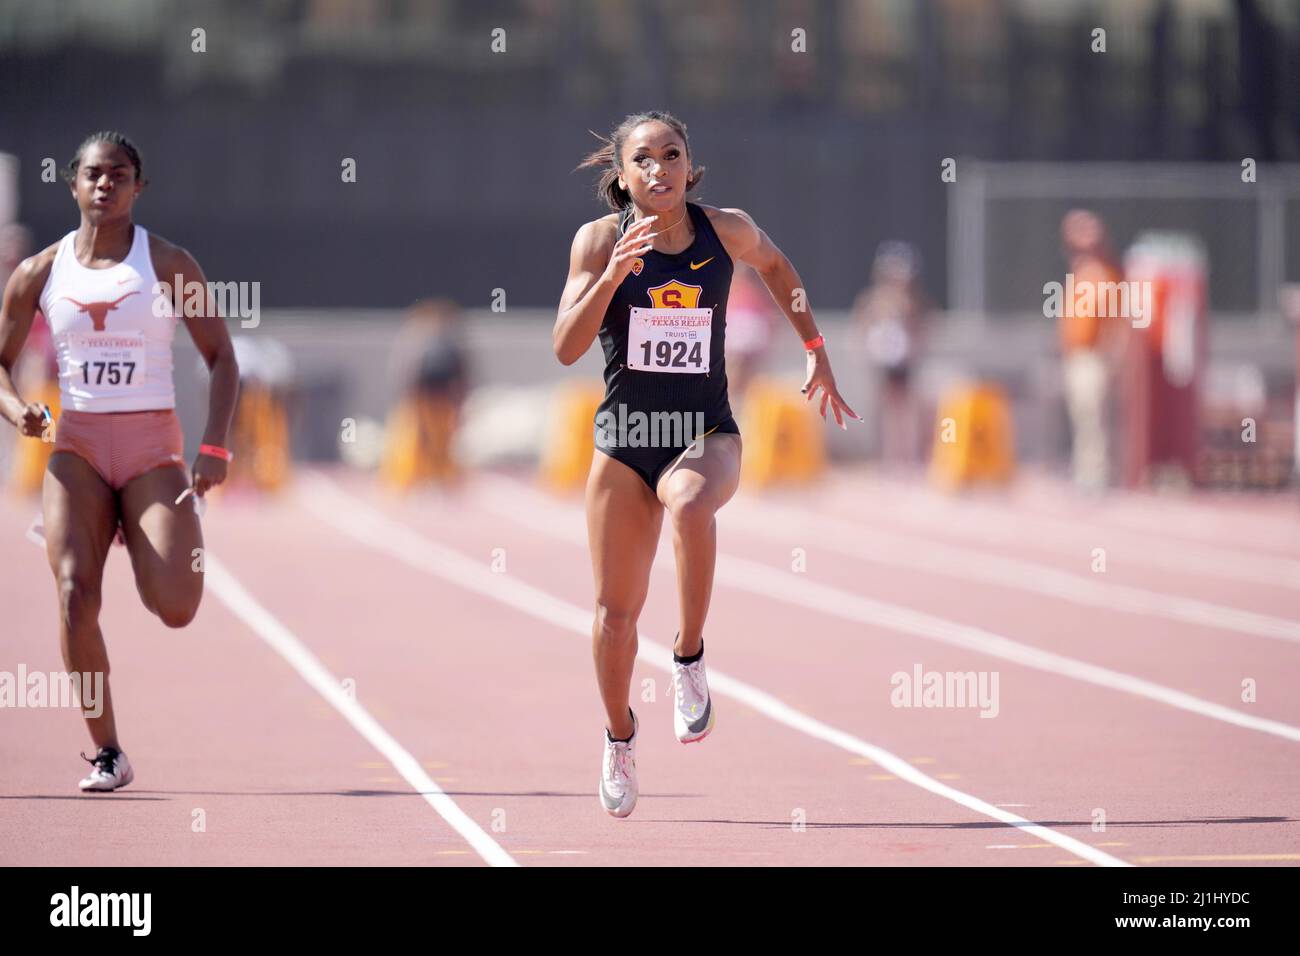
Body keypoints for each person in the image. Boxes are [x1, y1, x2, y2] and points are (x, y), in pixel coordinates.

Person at [554, 110, 858, 817]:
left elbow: (779, 268)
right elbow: (565, 347)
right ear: (622, 177)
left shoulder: (727, 230)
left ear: (690, 167)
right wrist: (612, 279)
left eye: (672, 155)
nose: (659, 169)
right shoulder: (597, 241)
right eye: (643, 159)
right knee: (613, 614)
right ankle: (619, 737)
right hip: (626, 439)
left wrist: (815, 346)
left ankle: (688, 656)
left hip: (704, 430)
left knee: (691, 503)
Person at [0, 132, 239, 792]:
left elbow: (222, 357)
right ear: (73, 184)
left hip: (150, 453)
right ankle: (108, 751)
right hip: (75, 450)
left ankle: (139, 530)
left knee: (176, 605)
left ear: (139, 187)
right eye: (95, 175)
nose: (106, 185)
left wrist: (214, 446)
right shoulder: (39, 273)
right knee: (74, 591)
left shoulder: (168, 265)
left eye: (121, 175)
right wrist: (16, 408)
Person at [851, 240, 929, 469]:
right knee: (884, 407)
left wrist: (916, 348)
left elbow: (923, 327)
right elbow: (861, 325)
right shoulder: (873, 301)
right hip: (882, 359)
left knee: (906, 408)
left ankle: (908, 457)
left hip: (903, 360)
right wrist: (864, 349)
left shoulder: (913, 302)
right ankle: (887, 458)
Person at [1059, 209, 1122, 490]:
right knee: (1082, 415)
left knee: (1093, 416)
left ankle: (1096, 475)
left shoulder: (1104, 274)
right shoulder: (1081, 272)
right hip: (1076, 356)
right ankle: (1086, 470)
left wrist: (1113, 356)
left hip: (1093, 357)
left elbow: (1117, 321)